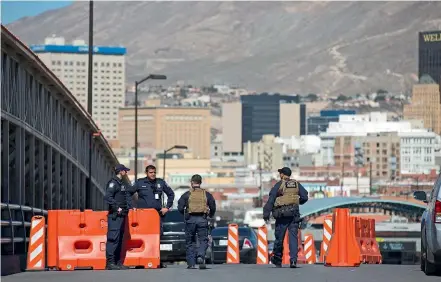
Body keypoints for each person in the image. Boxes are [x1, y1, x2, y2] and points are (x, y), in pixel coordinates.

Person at [128, 165, 175, 268]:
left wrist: (167, 207)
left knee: (157, 237)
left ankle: (156, 260)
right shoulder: (139, 182)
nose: (153, 174)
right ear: (146, 173)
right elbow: (128, 193)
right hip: (142, 216)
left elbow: (171, 194)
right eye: (150, 172)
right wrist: (132, 207)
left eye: (154, 172)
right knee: (142, 237)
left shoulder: (160, 182)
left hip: (156, 215)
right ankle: (141, 260)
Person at [263, 167, 308, 268]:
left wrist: (266, 213)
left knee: (279, 237)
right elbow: (305, 197)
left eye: (280, 173)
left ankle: (278, 259)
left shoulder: (279, 184)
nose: (280, 175)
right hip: (294, 215)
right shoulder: (296, 184)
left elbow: (271, 199)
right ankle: (293, 261)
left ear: (283, 175)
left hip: (282, 215)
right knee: (293, 237)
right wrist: (296, 202)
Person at [177, 174, 216, 269]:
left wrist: (185, 215)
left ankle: (191, 263)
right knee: (203, 240)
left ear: (192, 183)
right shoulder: (206, 194)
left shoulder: (187, 194)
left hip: (190, 220)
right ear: (200, 182)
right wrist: (210, 215)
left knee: (190, 241)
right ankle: (201, 255)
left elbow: (180, 207)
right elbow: (213, 206)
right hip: (202, 219)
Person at [104, 164, 132, 270]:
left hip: (122, 215)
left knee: (119, 239)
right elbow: (108, 197)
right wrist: (116, 207)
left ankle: (118, 262)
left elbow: (125, 197)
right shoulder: (113, 183)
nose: (126, 172)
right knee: (113, 239)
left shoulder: (121, 183)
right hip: (115, 216)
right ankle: (110, 263)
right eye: (125, 170)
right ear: (120, 171)